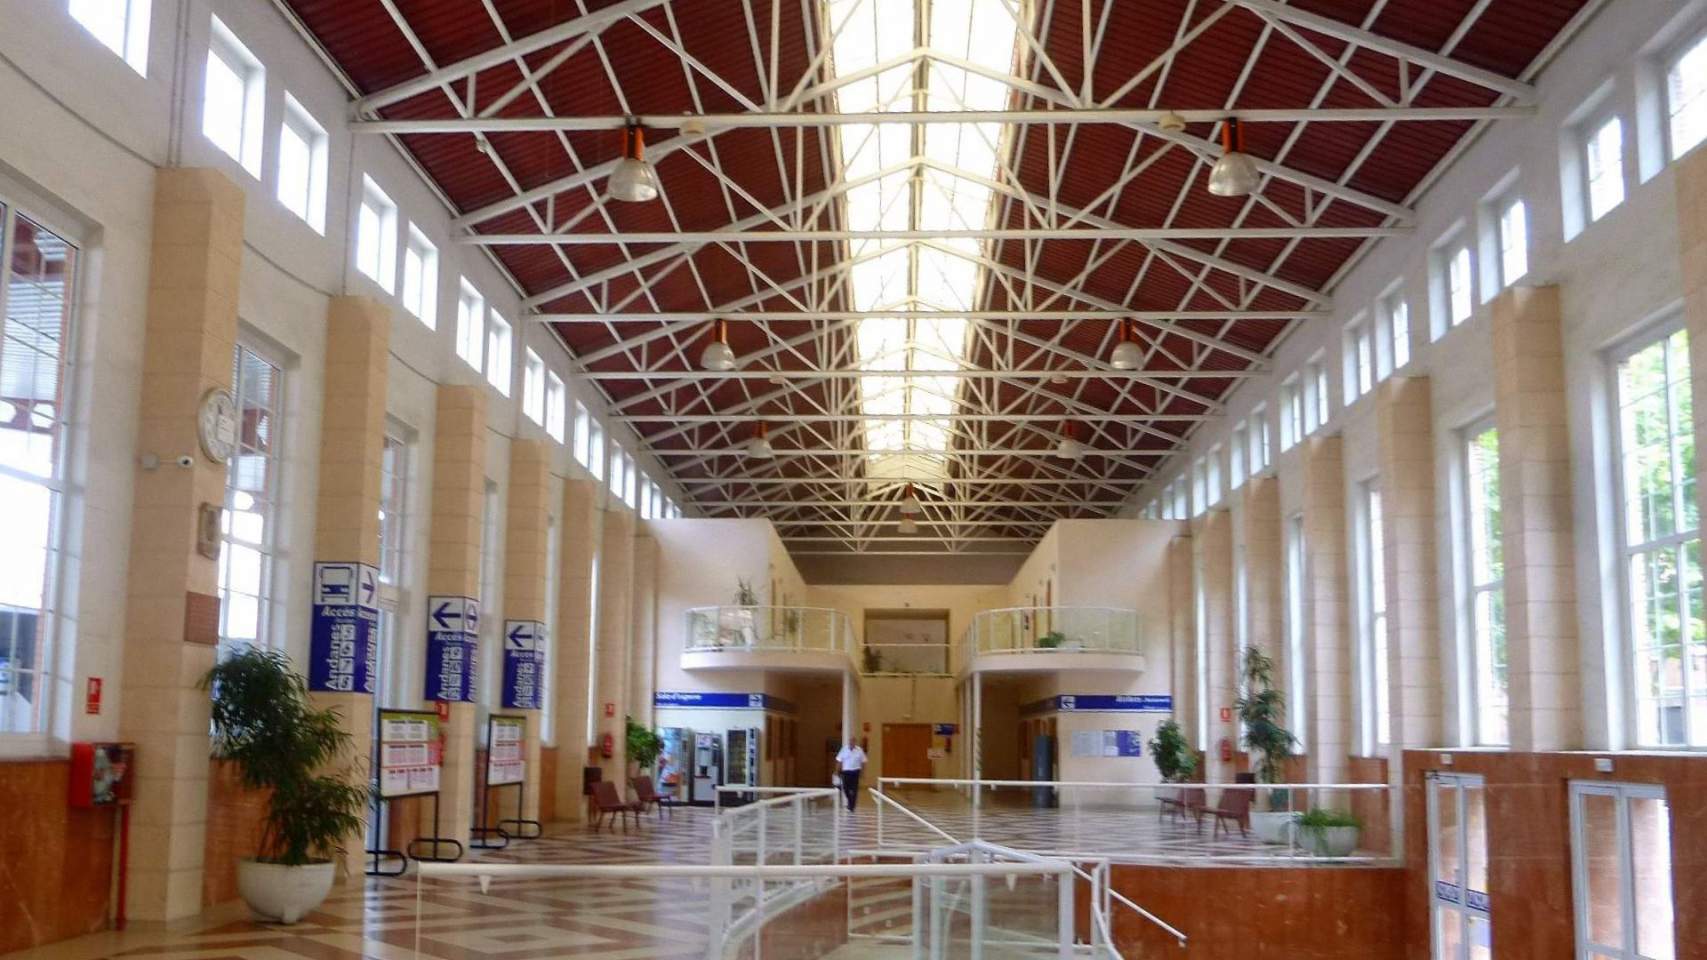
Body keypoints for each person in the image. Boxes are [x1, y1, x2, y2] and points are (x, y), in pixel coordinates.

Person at [834, 737, 867, 811]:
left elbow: (863, 762)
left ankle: (852, 806)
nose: (852, 743)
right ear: (849, 742)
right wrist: (836, 771)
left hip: (855, 771)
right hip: (846, 772)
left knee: (854, 789)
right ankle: (850, 801)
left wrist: (863, 772)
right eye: (851, 741)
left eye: (853, 741)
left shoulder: (859, 750)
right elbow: (839, 760)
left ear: (855, 742)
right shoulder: (844, 749)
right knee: (845, 788)